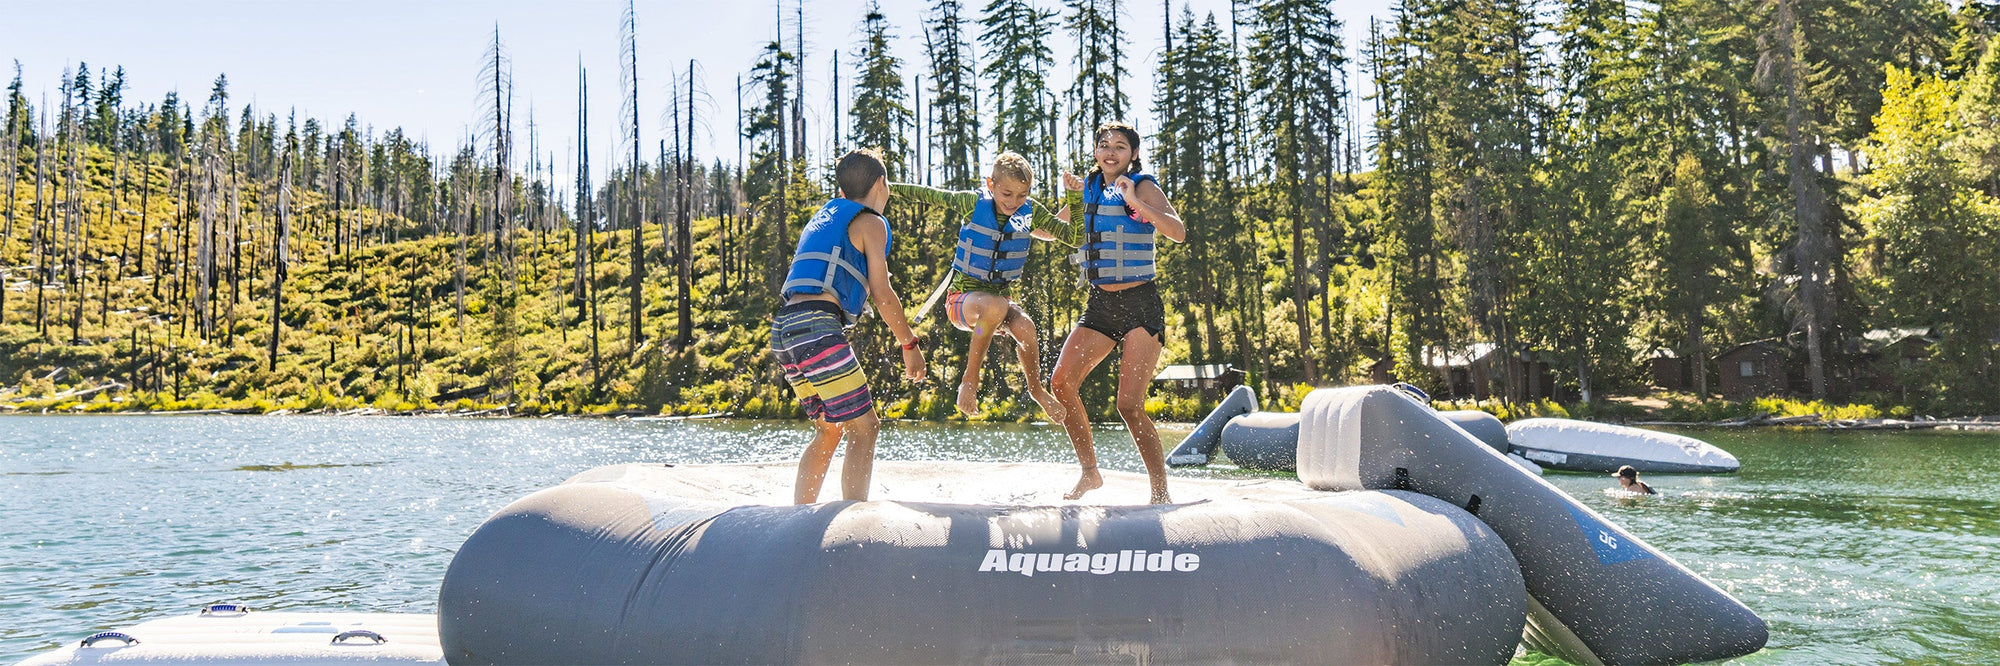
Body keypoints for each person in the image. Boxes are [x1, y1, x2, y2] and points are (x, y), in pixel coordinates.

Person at [770, 149, 926, 504]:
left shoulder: (826, 215)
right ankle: (854, 520)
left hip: (785, 327)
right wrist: (909, 345)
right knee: (866, 427)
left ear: (842, 191)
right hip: (816, 326)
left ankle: (800, 517)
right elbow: (883, 295)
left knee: (829, 428)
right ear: (881, 184)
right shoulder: (872, 223)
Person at [1047, 121, 1186, 504]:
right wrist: (1011, 212)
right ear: (1095, 151)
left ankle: (1160, 493)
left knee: (1128, 405)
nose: (1111, 152)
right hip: (1101, 305)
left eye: (1120, 146)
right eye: (1104, 145)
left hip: (1141, 304)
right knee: (1061, 383)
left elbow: (1178, 232)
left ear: (1133, 154)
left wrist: (1137, 203)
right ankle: (1090, 473)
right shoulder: (1089, 187)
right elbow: (1052, 230)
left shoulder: (1143, 186)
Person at [889, 152, 1065, 422]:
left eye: (1022, 196)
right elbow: (928, 194)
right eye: (1007, 194)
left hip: (994, 308)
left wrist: (1077, 199)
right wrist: (887, 188)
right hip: (961, 303)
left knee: (1026, 327)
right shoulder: (972, 203)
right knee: (996, 305)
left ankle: (1036, 390)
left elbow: (1072, 234)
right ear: (991, 184)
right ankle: (969, 381)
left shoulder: (1029, 213)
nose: (1014, 203)